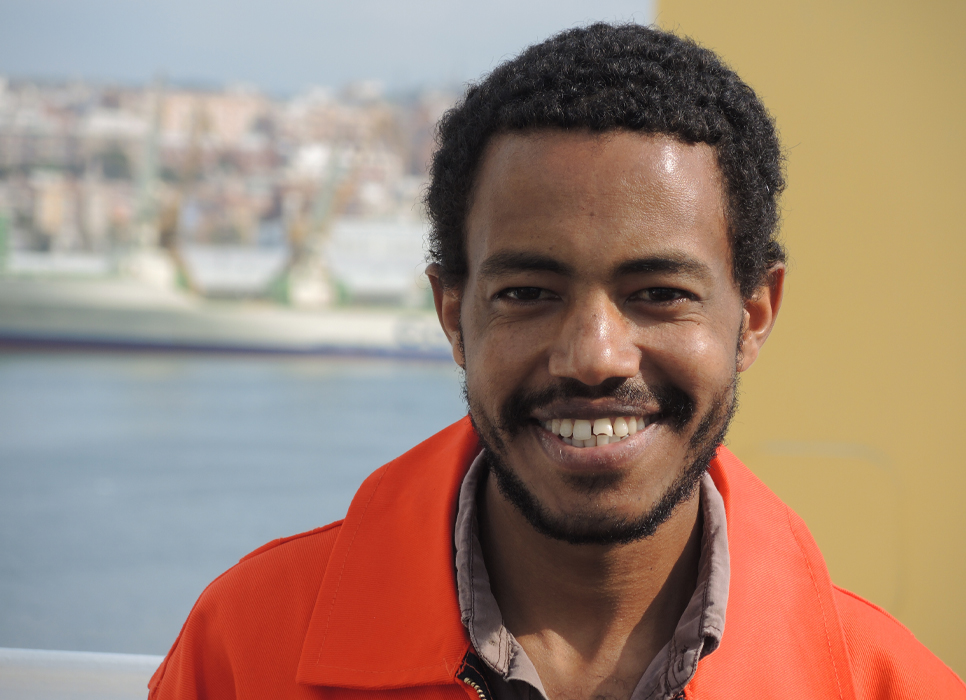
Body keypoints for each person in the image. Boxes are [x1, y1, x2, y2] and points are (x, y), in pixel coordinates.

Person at [149, 23, 965, 700]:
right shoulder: (246, 652)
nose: (594, 357)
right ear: (452, 314)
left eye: (660, 293)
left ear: (753, 315)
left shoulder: (890, 686)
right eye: (528, 293)